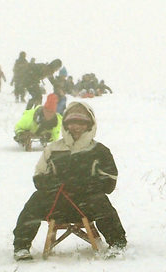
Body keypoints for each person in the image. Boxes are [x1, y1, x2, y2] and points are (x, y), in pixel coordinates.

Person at [12, 102, 127, 260]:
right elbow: (39, 177)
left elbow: (109, 182)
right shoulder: (53, 149)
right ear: (66, 125)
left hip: (87, 205)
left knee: (100, 201)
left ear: (89, 125)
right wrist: (53, 184)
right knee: (36, 200)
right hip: (58, 205)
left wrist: (85, 185)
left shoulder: (100, 150)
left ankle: (117, 244)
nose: (76, 127)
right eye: (72, 123)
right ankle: (21, 247)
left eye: (81, 123)